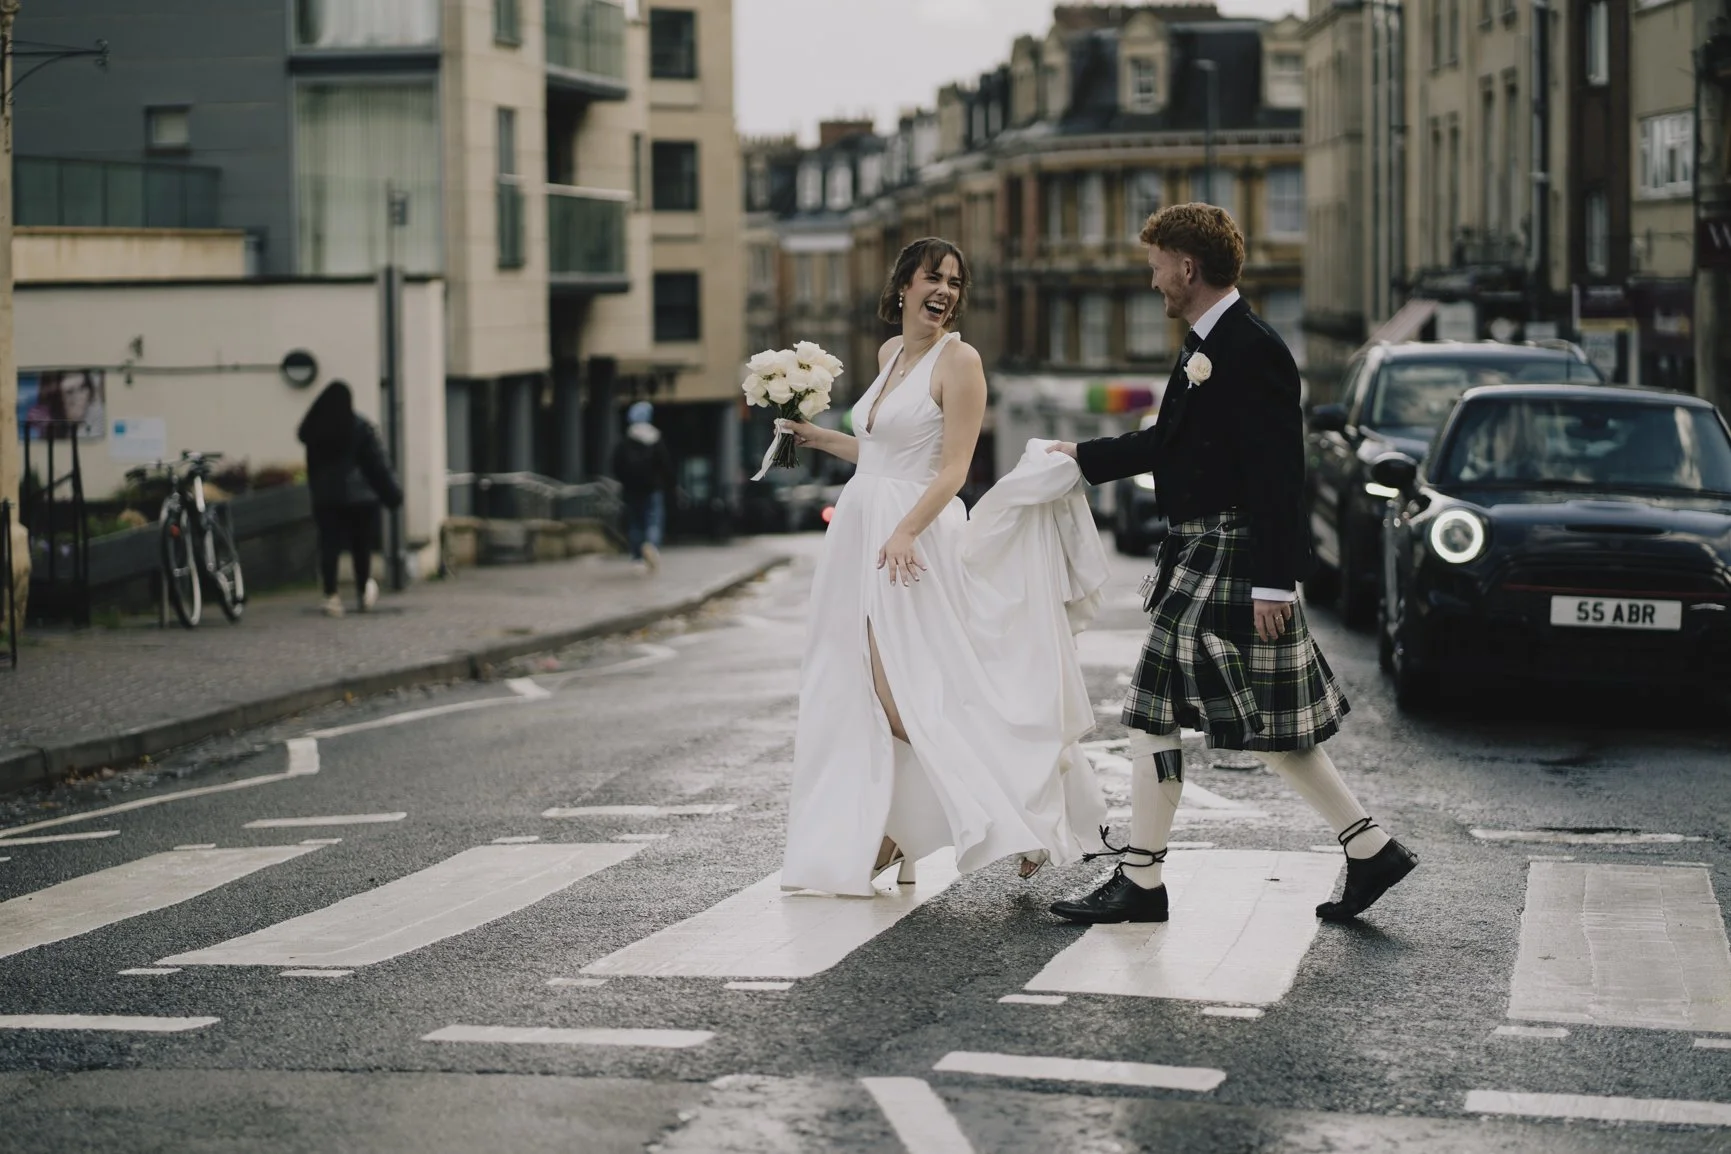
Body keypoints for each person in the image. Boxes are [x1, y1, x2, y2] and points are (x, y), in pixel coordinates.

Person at [1047, 204, 1418, 925]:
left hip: (1232, 551)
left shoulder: (1251, 348)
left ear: (1186, 266)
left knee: (1154, 711)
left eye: (1156, 265)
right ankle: (1369, 848)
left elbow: (1282, 471)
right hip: (1205, 548)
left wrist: (1272, 580)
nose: (1151, 280)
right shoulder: (1204, 345)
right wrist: (1082, 458)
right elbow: (1171, 444)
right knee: (1270, 727)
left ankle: (1142, 881)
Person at [777, 237, 1108, 897]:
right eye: (934, 277)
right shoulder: (890, 355)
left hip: (913, 542)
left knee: (909, 700)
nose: (945, 292)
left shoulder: (960, 362)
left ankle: (1021, 815)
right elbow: (878, 453)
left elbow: (953, 468)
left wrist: (904, 530)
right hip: (863, 533)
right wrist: (818, 438)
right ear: (902, 285)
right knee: (870, 692)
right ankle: (894, 835)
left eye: (955, 282)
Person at [297, 381, 402, 618]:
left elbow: (313, 469)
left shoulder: (316, 430)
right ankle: (363, 592)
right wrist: (392, 493)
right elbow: (376, 464)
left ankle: (331, 596)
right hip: (360, 498)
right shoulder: (359, 426)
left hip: (326, 498)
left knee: (329, 545)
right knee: (360, 546)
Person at [612, 401, 674, 574]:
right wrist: (669, 485)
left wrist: (625, 482)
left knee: (635, 523)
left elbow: (616, 465)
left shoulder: (625, 441)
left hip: (631, 490)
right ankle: (651, 545)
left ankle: (637, 557)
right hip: (653, 489)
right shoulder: (655, 439)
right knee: (653, 520)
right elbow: (665, 465)